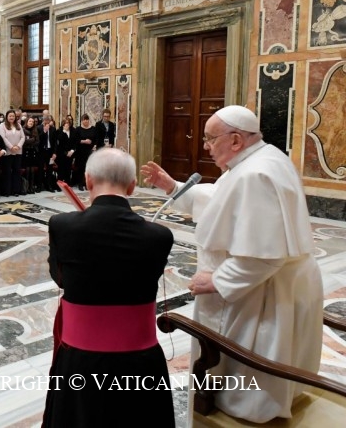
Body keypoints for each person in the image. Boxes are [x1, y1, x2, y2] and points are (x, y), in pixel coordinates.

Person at [140, 105, 323, 423]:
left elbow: (266, 255)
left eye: (211, 138)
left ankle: (244, 409)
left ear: (236, 139)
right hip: (272, 286)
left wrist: (217, 281)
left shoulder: (256, 173)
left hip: (262, 292)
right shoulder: (259, 160)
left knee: (253, 366)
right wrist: (172, 187)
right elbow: (222, 198)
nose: (206, 146)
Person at [44, 148, 174, 426]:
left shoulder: (62, 225)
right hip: (140, 363)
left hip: (79, 362)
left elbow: (60, 278)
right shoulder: (160, 236)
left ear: (88, 181)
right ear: (132, 186)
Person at [0, 109, 25, 196]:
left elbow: (23, 137)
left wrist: (18, 146)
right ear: (7, 117)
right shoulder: (2, 126)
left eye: (13, 116)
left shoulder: (19, 126)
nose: (11, 117)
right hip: (7, 152)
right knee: (7, 172)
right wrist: (11, 147)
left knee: (17, 171)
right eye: (10, 116)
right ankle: (7, 191)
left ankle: (16, 190)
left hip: (18, 151)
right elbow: (3, 138)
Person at [74, 114, 96, 190]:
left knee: (88, 168)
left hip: (90, 151)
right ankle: (80, 183)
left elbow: (96, 139)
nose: (85, 121)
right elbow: (75, 140)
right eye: (84, 119)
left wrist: (94, 145)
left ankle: (87, 183)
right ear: (81, 121)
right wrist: (84, 141)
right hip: (80, 151)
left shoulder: (93, 129)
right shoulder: (78, 129)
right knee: (81, 168)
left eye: (87, 119)